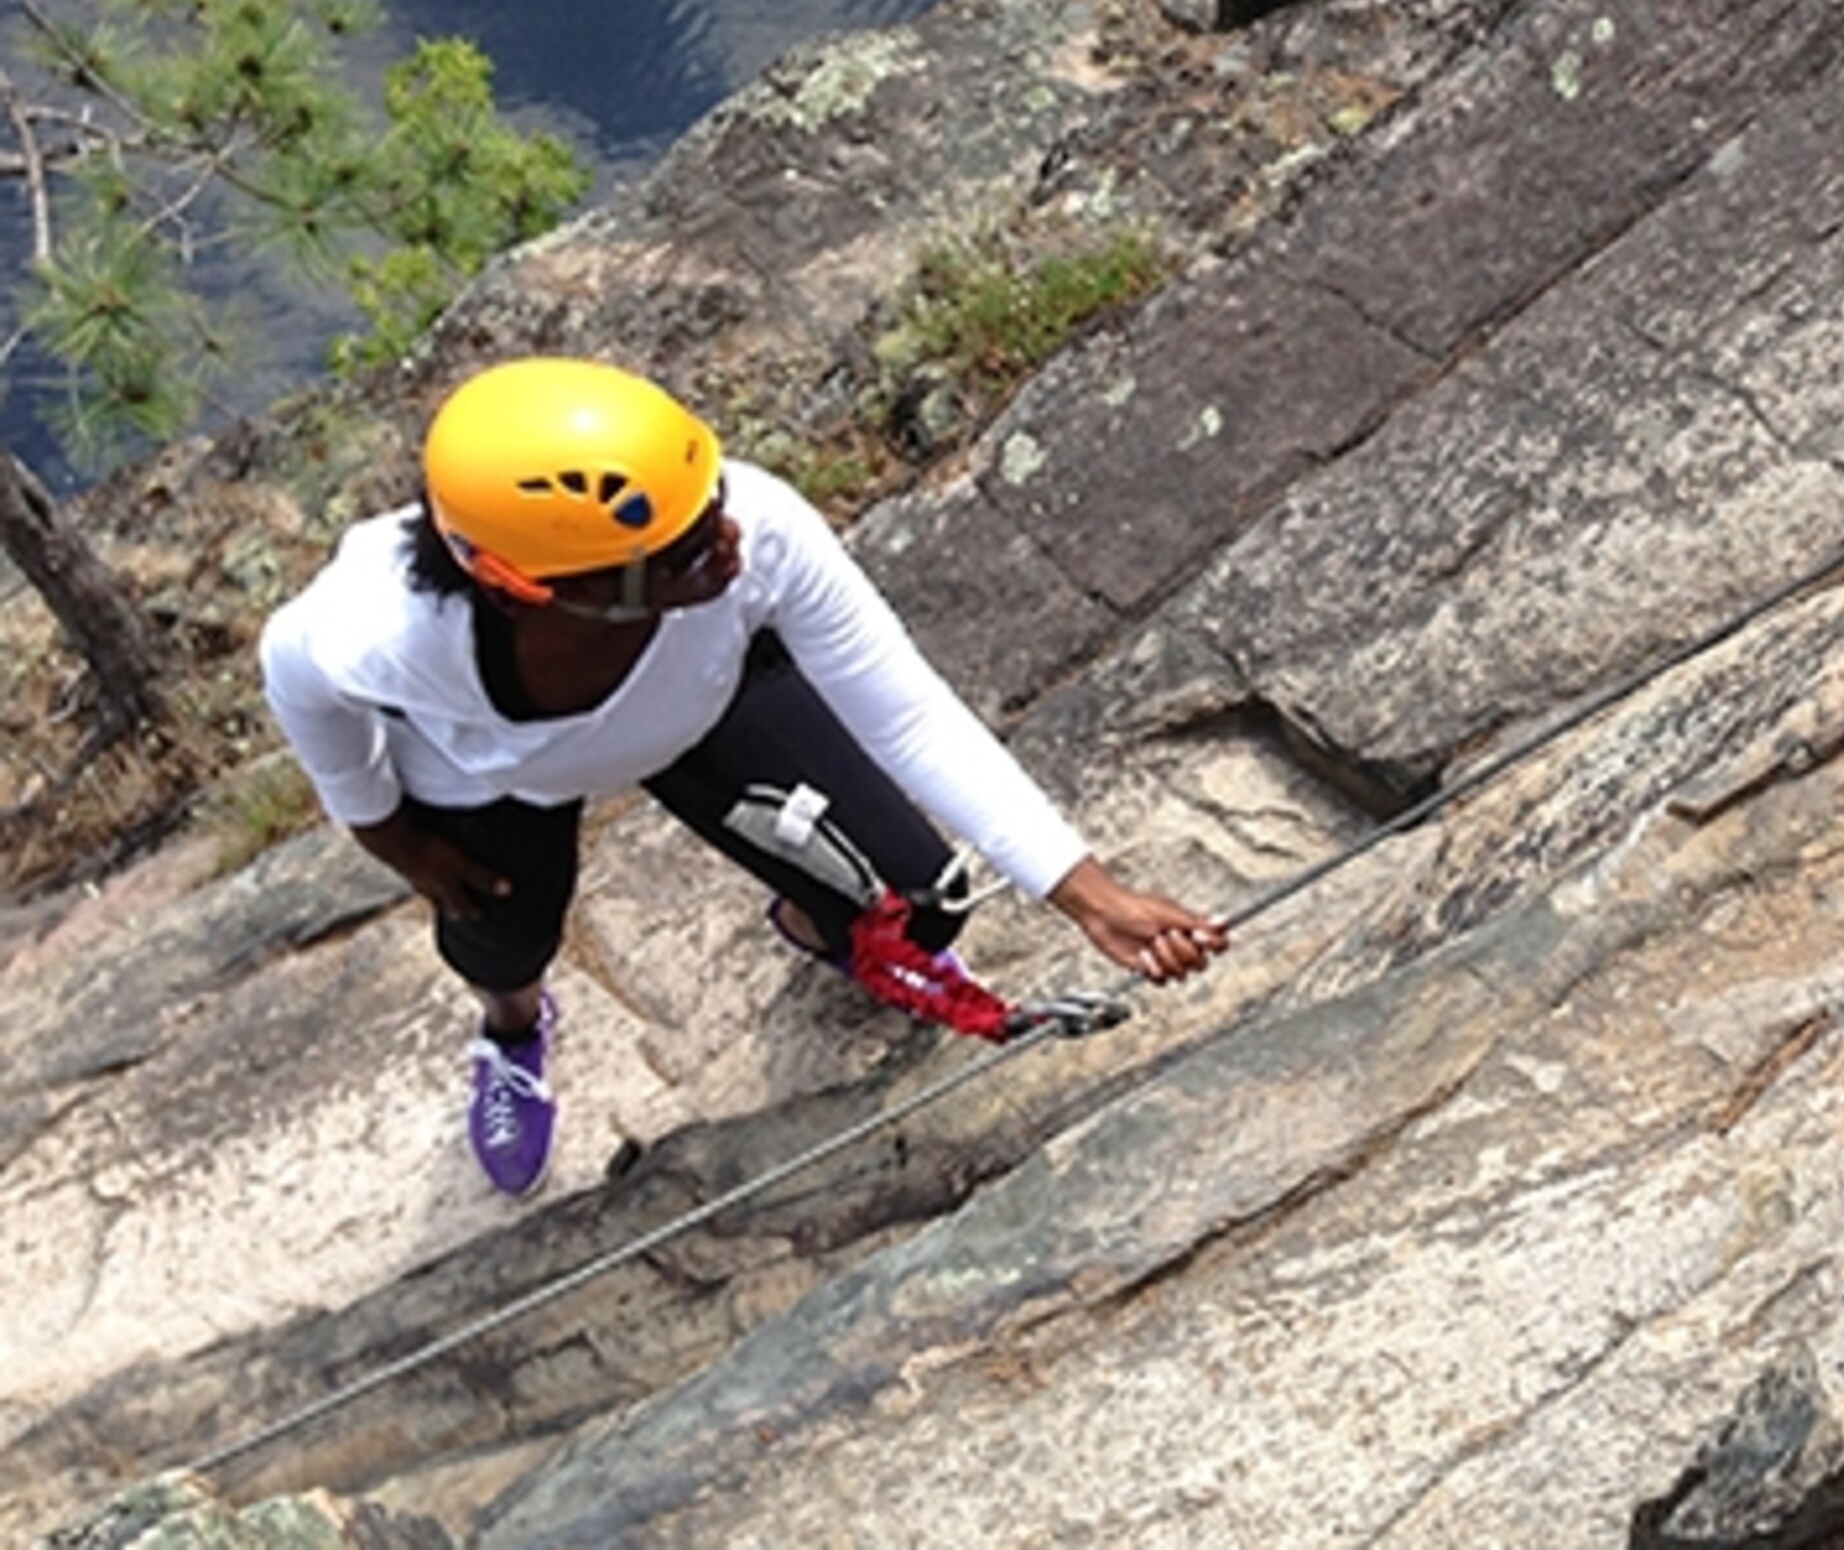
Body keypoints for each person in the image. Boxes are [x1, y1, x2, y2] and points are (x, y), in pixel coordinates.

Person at [261, 355, 1229, 1196]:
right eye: (679, 552)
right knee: (502, 940)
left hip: (704, 710)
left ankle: (814, 917)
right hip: (501, 781)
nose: (726, 541)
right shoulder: (379, 630)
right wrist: (387, 832)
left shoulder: (754, 530)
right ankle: (511, 1030)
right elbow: (295, 679)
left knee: (917, 904)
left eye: (712, 500)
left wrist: (1085, 892)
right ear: (531, 587)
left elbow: (905, 710)